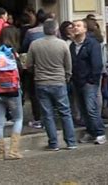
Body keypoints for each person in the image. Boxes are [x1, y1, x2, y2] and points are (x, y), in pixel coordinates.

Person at [26, 19, 77, 151]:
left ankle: (53, 143)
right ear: (56, 30)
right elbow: (68, 65)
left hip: (41, 82)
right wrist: (67, 76)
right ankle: (71, 142)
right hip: (59, 81)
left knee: (47, 114)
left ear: (44, 30)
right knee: (65, 112)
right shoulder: (63, 44)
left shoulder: (35, 44)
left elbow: (29, 65)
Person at [70, 20, 107, 145]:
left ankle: (100, 132)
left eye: (78, 26)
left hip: (88, 82)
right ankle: (90, 131)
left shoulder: (92, 44)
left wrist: (92, 80)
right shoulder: (72, 45)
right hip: (77, 81)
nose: (76, 28)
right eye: (74, 26)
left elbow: (97, 64)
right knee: (83, 109)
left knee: (91, 108)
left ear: (85, 29)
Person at [0, 26, 23, 160]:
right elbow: (20, 70)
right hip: (13, 91)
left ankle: (0, 154)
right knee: (18, 119)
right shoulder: (13, 53)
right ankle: (13, 151)